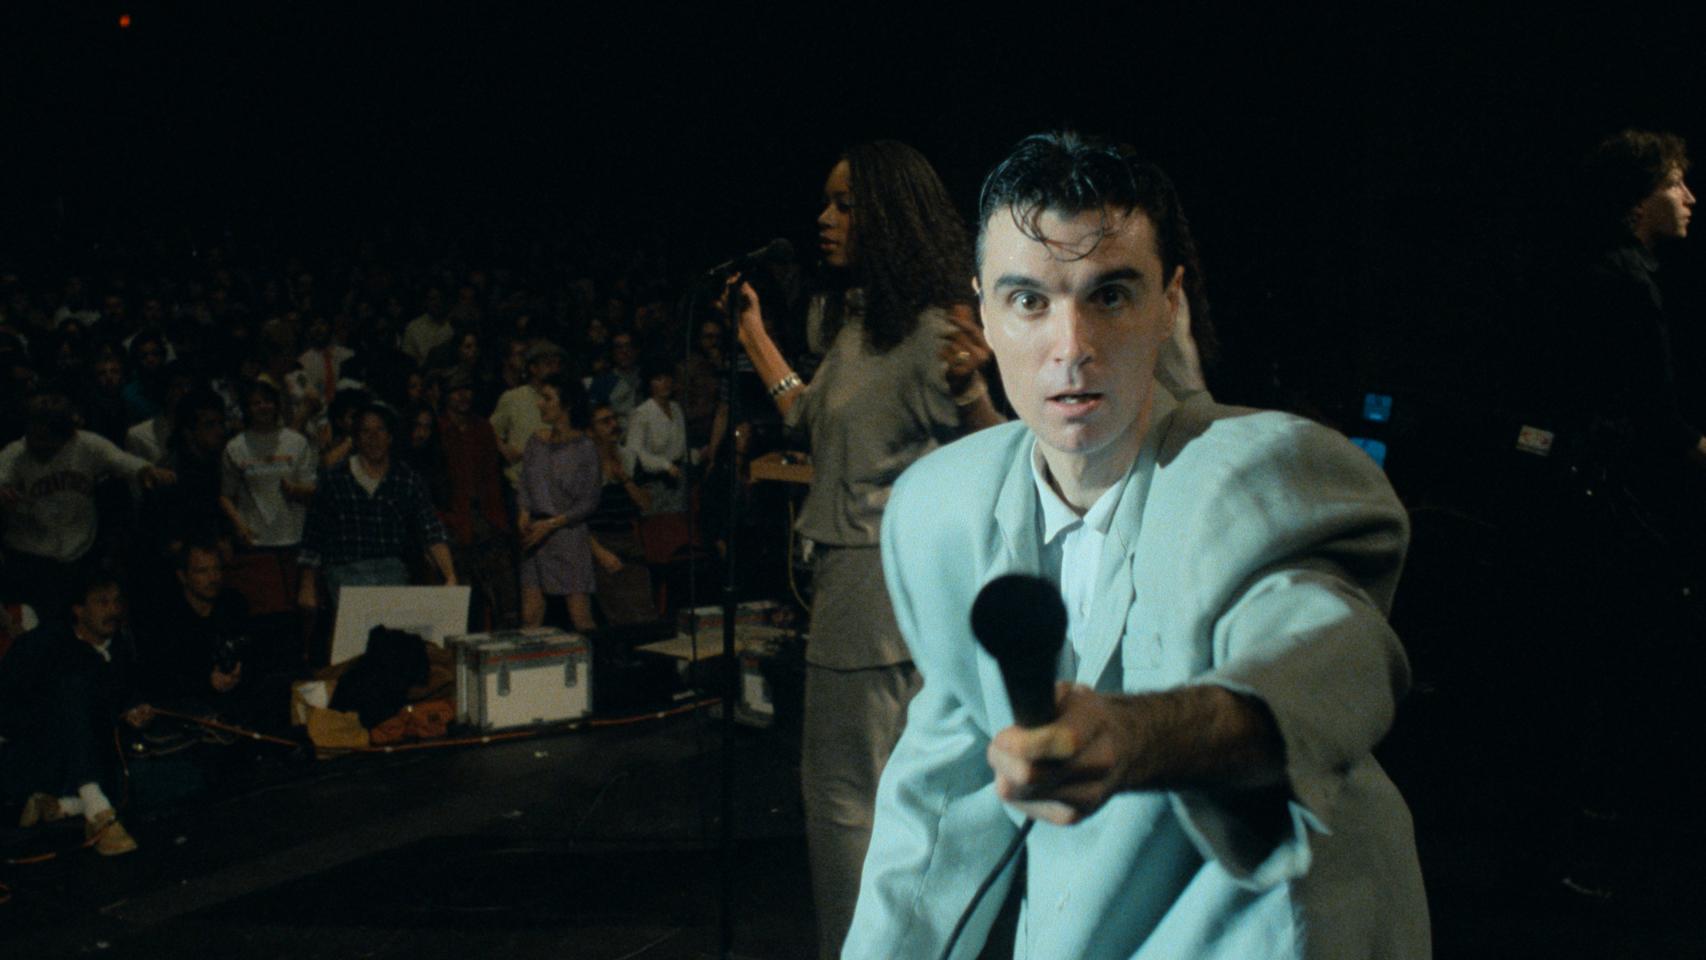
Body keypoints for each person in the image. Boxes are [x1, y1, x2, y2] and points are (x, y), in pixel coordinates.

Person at [843, 133, 1428, 959]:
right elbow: (936, 802)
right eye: (1028, 300)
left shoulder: (1263, 472)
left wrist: (1136, 735)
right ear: (980, 312)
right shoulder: (942, 509)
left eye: (1110, 295)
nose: (1071, 345)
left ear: (1170, 305)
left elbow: (1328, 656)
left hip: (1275, 929)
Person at [726, 139, 1003, 959]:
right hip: (874, 584)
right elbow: (812, 419)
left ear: (888, 215)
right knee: (895, 799)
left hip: (877, 587)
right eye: (825, 202)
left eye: (845, 204)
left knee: (845, 798)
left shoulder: (929, 333)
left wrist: (978, 394)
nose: (825, 218)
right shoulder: (859, 327)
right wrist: (755, 339)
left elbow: (1004, 462)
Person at [0, 569, 150, 856]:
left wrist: (133, 711)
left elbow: (123, 699)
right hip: (30, 751)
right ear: (79, 609)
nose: (112, 611)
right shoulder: (46, 645)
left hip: (89, 755)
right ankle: (98, 813)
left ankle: (62, 805)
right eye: (102, 603)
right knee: (72, 688)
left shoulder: (120, 647)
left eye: (116, 602)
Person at [0, 388, 176, 616]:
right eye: (33, 436)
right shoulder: (17, 452)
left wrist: (146, 470)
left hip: (79, 551)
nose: (36, 444)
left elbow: (120, 460)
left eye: (45, 439)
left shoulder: (86, 445)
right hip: (31, 556)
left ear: (66, 435)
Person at [297, 404, 457, 612]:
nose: (374, 437)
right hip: (345, 572)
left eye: (380, 430)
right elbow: (314, 535)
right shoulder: (334, 479)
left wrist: (450, 576)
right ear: (356, 438)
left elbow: (431, 531)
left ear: (390, 436)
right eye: (366, 431)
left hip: (392, 571)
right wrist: (307, 585)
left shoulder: (407, 480)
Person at [517, 373, 600, 632]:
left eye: (547, 398)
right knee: (530, 615)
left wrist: (552, 524)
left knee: (579, 616)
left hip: (567, 535)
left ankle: (596, 666)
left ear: (566, 404)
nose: (540, 403)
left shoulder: (584, 447)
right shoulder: (536, 441)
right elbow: (525, 482)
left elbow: (589, 501)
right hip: (534, 535)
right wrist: (523, 512)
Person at [625, 363, 689, 515]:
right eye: (659, 379)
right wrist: (665, 465)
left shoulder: (676, 408)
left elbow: (680, 447)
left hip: (679, 479)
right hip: (654, 481)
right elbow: (635, 451)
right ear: (649, 383)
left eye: (668, 378)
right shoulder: (642, 413)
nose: (665, 383)